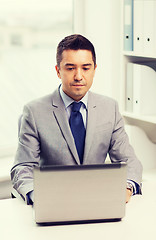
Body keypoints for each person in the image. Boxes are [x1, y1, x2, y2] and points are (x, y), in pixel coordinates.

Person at [11, 34, 142, 205]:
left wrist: (127, 187)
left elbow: (129, 161)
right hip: (54, 203)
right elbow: (22, 167)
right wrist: (37, 196)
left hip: (96, 202)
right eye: (70, 68)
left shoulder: (110, 108)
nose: (79, 76)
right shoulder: (34, 112)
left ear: (94, 69)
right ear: (58, 71)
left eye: (86, 68)